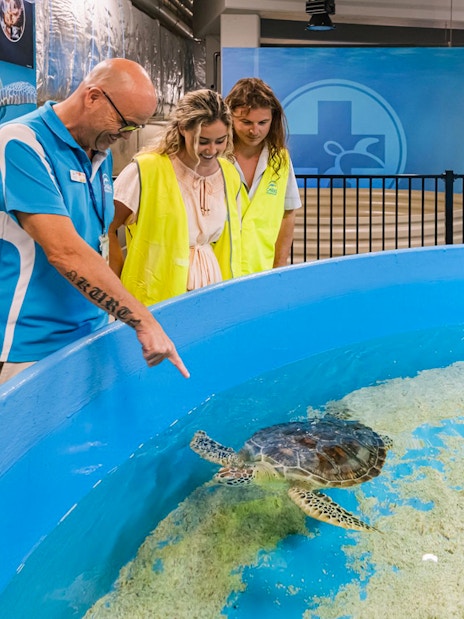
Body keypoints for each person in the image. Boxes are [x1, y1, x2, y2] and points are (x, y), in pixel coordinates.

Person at [0, 58, 189, 385]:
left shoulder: (101, 153)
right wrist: (143, 320)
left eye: (136, 127)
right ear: (93, 96)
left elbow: (98, 243)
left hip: (91, 330)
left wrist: (114, 315)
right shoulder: (21, 143)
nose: (126, 134)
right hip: (30, 344)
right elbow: (65, 251)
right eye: (125, 123)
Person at [109, 88, 241, 306]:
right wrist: (114, 285)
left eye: (220, 141)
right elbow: (107, 227)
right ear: (182, 129)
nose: (212, 149)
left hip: (212, 292)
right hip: (155, 298)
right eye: (203, 140)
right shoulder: (146, 170)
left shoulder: (229, 174)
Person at [225, 77, 301, 275]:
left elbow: (288, 213)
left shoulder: (281, 160)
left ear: (272, 120)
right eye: (246, 122)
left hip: (261, 270)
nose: (254, 130)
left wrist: (279, 266)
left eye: (263, 122)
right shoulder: (214, 158)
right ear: (229, 118)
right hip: (216, 271)